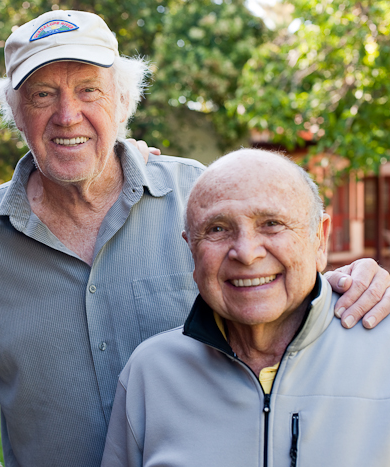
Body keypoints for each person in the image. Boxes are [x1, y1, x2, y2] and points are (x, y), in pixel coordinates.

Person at [0, 9, 390, 467]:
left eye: (89, 90)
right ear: (14, 111)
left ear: (123, 99)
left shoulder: (205, 199)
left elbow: (282, 276)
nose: (67, 116)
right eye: (42, 95)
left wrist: (355, 283)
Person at [101, 149, 390, 466]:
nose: (246, 253)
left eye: (271, 223)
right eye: (218, 229)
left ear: (320, 239)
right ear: (192, 251)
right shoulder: (150, 373)